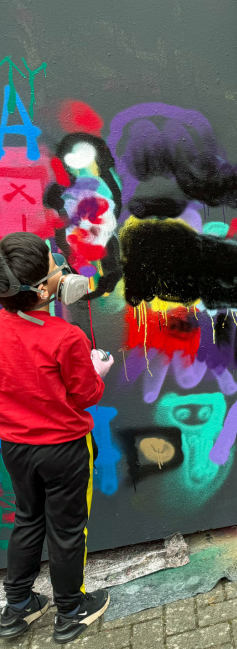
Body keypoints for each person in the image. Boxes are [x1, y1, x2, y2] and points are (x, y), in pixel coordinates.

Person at [0, 232, 114, 644]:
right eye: (54, 266)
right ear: (43, 290)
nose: (62, 269)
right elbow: (86, 396)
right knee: (67, 530)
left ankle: (17, 606)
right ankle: (71, 610)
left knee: (28, 518)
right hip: (64, 449)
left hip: (15, 446)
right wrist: (98, 371)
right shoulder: (66, 337)